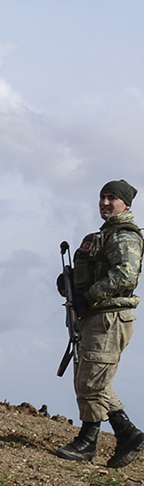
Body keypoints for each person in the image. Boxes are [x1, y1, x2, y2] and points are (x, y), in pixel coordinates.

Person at [55, 180, 144, 468]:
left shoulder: (124, 237)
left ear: (126, 204)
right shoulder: (103, 236)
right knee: (90, 379)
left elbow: (125, 276)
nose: (105, 203)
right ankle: (127, 433)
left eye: (112, 198)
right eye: (102, 197)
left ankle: (88, 442)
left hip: (109, 317)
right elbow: (96, 272)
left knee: (92, 381)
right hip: (96, 315)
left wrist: (87, 297)